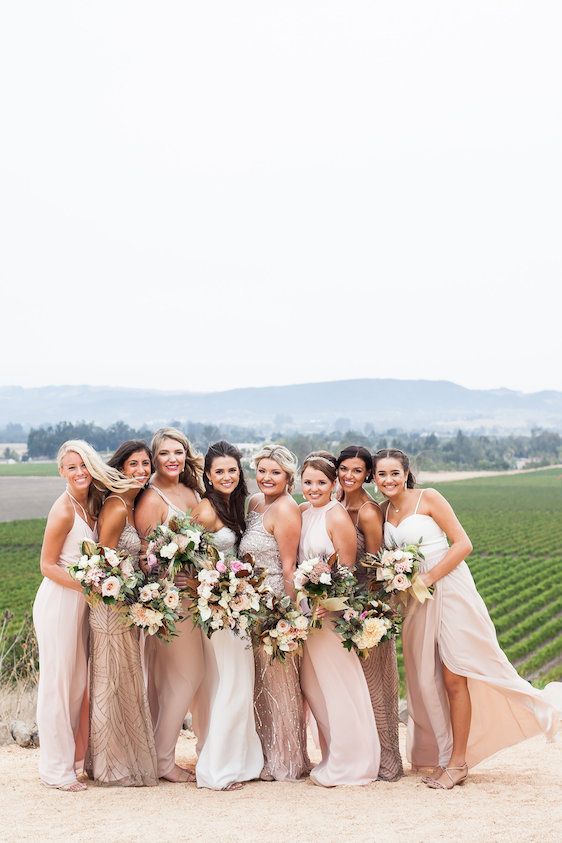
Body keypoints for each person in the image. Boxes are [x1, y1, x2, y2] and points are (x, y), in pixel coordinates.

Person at [373, 447, 562, 789]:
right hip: (414, 600)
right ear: (374, 477)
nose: (388, 480)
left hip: (448, 588)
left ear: (406, 473)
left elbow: (463, 544)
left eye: (394, 473)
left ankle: (458, 762)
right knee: (424, 677)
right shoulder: (383, 511)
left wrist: (427, 579)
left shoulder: (428, 497)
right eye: (381, 474)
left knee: (455, 674)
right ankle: (440, 755)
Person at [33, 439, 131, 791]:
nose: (79, 472)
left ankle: (74, 759)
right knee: (59, 685)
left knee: (78, 685)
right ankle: (55, 770)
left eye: (84, 465)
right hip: (60, 602)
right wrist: (87, 586)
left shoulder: (92, 503)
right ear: (61, 471)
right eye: (71, 467)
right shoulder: (62, 510)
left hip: (82, 603)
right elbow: (47, 565)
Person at [298, 451, 380, 786]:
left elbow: (346, 573)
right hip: (307, 615)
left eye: (321, 482)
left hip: (329, 617)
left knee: (339, 685)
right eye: (307, 482)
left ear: (333, 485)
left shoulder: (336, 516)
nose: (314, 488)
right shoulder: (303, 512)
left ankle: (355, 762)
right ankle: (333, 755)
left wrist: (324, 602)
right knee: (314, 688)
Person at [189, 441, 263, 790]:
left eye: (232, 470)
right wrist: (212, 592)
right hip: (219, 607)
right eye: (219, 471)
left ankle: (240, 762)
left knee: (235, 681)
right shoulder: (205, 510)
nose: (227, 476)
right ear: (208, 475)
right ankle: (216, 770)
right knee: (233, 682)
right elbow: (187, 562)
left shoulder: (234, 506)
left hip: (236, 604)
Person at [134, 427, 205, 782]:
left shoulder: (193, 491)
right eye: (164, 453)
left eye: (178, 451)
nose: (173, 459)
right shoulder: (152, 498)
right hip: (171, 603)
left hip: (198, 600)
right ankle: (163, 760)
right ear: (155, 458)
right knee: (182, 678)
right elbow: (146, 558)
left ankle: (163, 754)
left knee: (187, 679)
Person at [86, 440, 158, 787]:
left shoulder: (131, 505)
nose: (142, 470)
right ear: (121, 468)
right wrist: (127, 589)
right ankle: (109, 764)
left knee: (124, 678)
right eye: (134, 464)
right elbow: (101, 563)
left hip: (126, 604)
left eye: (146, 464)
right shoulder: (116, 508)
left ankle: (121, 757)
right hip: (110, 606)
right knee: (110, 681)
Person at [239, 444, 310, 781]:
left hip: (274, 607)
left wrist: (290, 616)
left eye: (275, 473)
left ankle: (287, 758)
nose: (266, 478)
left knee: (280, 681)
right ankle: (264, 752)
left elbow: (288, 567)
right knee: (258, 683)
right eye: (263, 471)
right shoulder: (255, 504)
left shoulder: (286, 509)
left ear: (288, 477)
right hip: (248, 607)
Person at [336, 445, 403, 781]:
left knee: (375, 684)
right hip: (339, 608)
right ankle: (360, 756)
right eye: (344, 469)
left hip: (365, 609)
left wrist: (369, 615)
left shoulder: (367, 511)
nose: (349, 476)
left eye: (357, 471)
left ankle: (388, 761)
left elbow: (375, 567)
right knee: (351, 688)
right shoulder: (334, 503)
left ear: (367, 475)